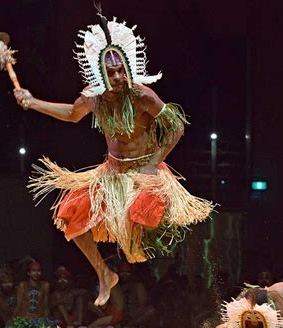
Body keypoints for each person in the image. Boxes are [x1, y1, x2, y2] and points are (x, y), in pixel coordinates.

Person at [13, 8, 213, 307]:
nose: (119, 76)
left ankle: (137, 250)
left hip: (145, 173)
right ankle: (104, 274)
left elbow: (177, 125)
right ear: (100, 73)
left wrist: (155, 161)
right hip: (112, 174)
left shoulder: (142, 95)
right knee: (71, 214)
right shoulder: (93, 99)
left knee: (140, 223)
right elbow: (70, 113)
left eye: (122, 70)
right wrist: (32, 102)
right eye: (112, 72)